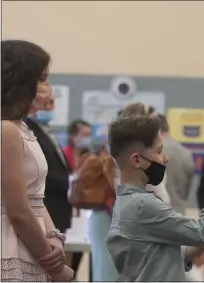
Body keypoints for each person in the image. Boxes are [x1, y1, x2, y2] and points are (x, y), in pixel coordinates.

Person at [106, 114, 204, 281]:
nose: (165, 158)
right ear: (137, 160)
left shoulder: (128, 201)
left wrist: (197, 249)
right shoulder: (142, 205)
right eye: (159, 151)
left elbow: (154, 257)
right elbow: (203, 231)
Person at [1, 39, 74, 281]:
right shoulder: (6, 131)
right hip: (11, 242)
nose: (47, 87)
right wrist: (55, 267)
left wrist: (53, 234)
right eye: (42, 78)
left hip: (32, 241)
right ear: (20, 80)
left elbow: (35, 195)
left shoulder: (21, 128)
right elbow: (18, 210)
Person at [26, 96, 73, 235]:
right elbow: (39, 170)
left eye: (51, 103)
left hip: (59, 207)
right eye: (44, 103)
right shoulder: (30, 132)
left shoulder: (47, 133)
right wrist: (70, 183)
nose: (48, 107)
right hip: (46, 206)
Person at [62, 119, 92, 277]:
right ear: (73, 136)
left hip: (84, 211)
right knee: (66, 256)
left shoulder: (90, 157)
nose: (88, 138)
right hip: (65, 210)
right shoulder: (63, 155)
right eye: (84, 134)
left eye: (89, 134)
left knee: (79, 254)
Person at [157, 114, 194, 214]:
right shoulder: (186, 153)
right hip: (179, 213)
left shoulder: (152, 152)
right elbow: (187, 190)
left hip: (157, 214)